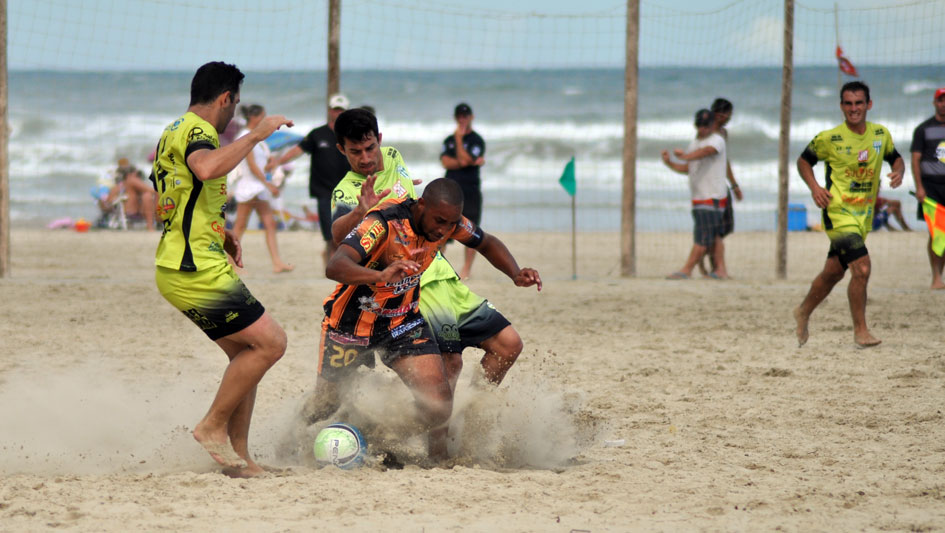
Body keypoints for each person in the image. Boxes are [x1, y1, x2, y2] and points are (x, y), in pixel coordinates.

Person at [303, 108, 526, 455]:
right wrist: (362, 217)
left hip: (403, 314)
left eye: (370, 148)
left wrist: (515, 273)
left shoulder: (397, 162)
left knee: (440, 402)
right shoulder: (364, 206)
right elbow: (337, 252)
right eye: (355, 152)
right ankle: (293, 437)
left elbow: (483, 240)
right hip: (354, 319)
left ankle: (384, 436)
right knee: (325, 404)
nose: (366, 158)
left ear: (380, 141)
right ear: (341, 150)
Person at [151, 61, 293, 477]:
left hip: (185, 261)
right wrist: (257, 135)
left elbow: (178, 193)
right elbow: (205, 168)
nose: (233, 113)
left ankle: (240, 459)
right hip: (194, 268)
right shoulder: (200, 131)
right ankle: (211, 426)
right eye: (235, 103)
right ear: (226, 98)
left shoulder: (173, 130)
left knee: (248, 357)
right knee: (272, 343)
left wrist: (220, 229)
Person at [793, 81, 904, 348]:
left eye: (859, 103)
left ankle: (803, 311)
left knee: (833, 273)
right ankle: (861, 331)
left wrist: (899, 171)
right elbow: (803, 161)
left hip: (862, 216)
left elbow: (895, 157)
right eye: (848, 103)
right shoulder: (830, 138)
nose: (854, 109)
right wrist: (815, 188)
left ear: (869, 104)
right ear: (841, 106)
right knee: (862, 268)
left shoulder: (880, 134)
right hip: (838, 212)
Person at [267, 93, 351, 266]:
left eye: (341, 110)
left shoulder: (351, 134)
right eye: (335, 109)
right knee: (329, 232)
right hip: (323, 190)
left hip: (348, 190)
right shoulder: (317, 134)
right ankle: (332, 262)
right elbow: (297, 151)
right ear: (330, 111)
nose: (338, 113)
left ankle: (336, 262)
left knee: (345, 231)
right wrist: (277, 162)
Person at [661, 109, 730, 280]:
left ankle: (687, 269)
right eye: (699, 125)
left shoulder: (717, 140)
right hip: (699, 198)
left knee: (703, 237)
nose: (702, 129)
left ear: (712, 124)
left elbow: (707, 152)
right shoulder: (694, 144)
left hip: (712, 197)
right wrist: (670, 163)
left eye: (705, 125)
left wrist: (685, 156)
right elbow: (690, 169)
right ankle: (720, 270)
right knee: (714, 236)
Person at [229, 104, 294, 273]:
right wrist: (268, 184)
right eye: (262, 117)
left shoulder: (258, 138)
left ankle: (277, 263)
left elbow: (261, 162)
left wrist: (271, 163)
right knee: (240, 225)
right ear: (254, 117)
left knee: (268, 223)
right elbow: (251, 166)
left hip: (258, 186)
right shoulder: (246, 136)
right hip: (250, 186)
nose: (264, 120)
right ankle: (230, 263)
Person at [697, 98, 743, 277]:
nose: (729, 118)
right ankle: (714, 267)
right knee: (714, 229)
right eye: (728, 115)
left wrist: (734, 184)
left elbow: (725, 161)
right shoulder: (706, 133)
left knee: (725, 228)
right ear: (719, 115)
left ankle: (713, 265)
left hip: (721, 185)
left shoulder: (723, 133)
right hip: (708, 187)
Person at [441, 102, 486, 279]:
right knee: (442, 229)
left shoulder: (476, 140)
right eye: (459, 116)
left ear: (471, 117)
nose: (462, 119)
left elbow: (465, 160)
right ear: (455, 118)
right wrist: (462, 161)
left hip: (470, 190)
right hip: (451, 190)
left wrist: (459, 140)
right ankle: (439, 266)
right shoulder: (448, 140)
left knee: (471, 230)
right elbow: (446, 162)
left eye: (465, 116)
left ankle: (466, 270)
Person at [910, 87, 945, 289]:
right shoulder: (923, 129)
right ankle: (936, 277)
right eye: (940, 100)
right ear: (934, 103)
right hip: (930, 187)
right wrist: (919, 188)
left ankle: (940, 275)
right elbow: (915, 159)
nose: (943, 104)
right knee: (936, 232)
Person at [98, 158, 157, 230]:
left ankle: (152, 225)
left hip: (118, 213)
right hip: (131, 212)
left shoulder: (119, 185)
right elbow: (152, 191)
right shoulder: (131, 180)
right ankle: (150, 226)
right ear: (133, 173)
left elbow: (107, 203)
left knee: (147, 195)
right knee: (147, 195)